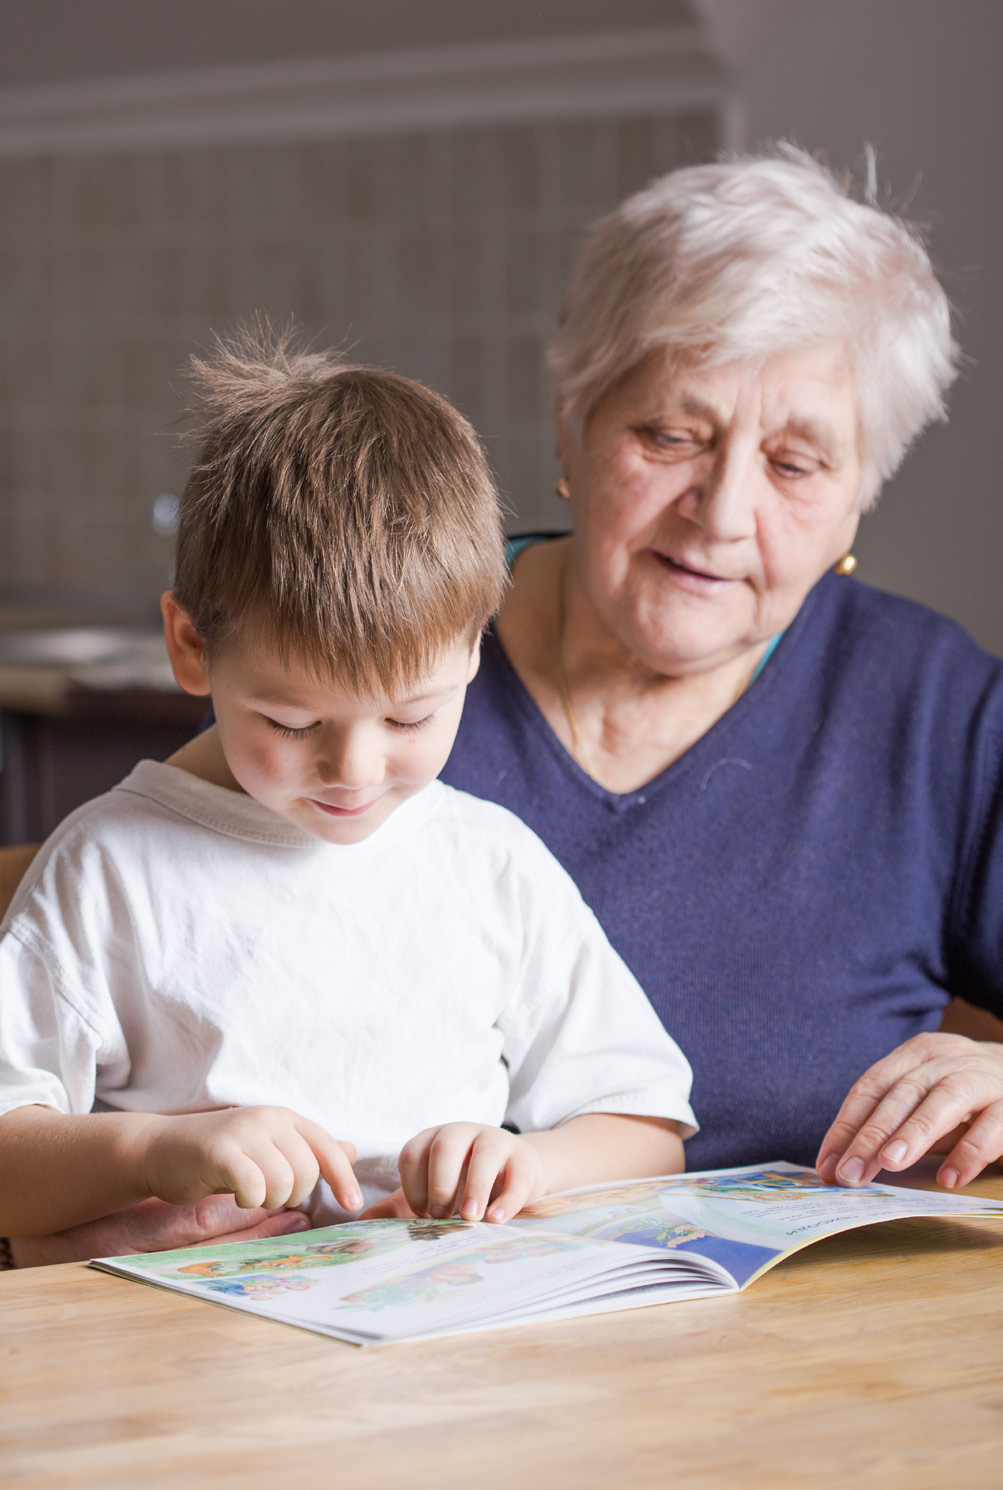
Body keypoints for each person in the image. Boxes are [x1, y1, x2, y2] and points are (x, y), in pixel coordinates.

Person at [0, 338, 695, 1252]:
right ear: (191, 647)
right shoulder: (110, 869)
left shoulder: (490, 866)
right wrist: (152, 1151)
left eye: (410, 721)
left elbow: (645, 1134)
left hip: (438, 1354)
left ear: (475, 650)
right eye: (292, 723)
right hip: (192, 1362)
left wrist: (527, 1165)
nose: (356, 773)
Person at [440, 145, 1003, 1195]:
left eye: (794, 463)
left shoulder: (934, 710)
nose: (723, 511)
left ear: (858, 497)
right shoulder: (380, 661)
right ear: (574, 422)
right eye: (669, 433)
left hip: (805, 1354)